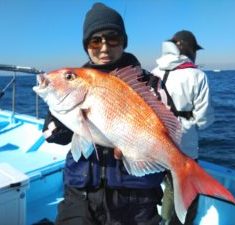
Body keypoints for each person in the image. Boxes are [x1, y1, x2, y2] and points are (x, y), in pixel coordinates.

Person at [42, 3, 165, 225]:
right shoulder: (75, 83)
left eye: (113, 38)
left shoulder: (149, 84)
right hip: (81, 193)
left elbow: (166, 131)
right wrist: (62, 126)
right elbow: (53, 134)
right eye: (95, 40)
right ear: (86, 45)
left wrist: (139, 148)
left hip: (136, 200)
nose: (104, 47)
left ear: (124, 41)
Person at [151, 30, 215, 225]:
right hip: (185, 143)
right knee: (180, 187)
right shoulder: (197, 76)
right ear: (187, 48)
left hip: (155, 140)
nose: (196, 53)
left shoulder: (154, 72)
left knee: (161, 183)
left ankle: (159, 218)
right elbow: (204, 119)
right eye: (195, 49)